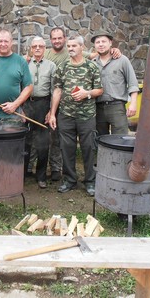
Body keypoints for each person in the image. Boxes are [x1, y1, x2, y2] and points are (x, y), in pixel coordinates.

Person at [48, 35, 103, 197]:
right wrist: (52, 113)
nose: (70, 48)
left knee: (88, 148)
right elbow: (57, 90)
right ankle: (69, 180)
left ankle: (90, 181)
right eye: (69, 46)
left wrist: (87, 94)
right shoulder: (63, 67)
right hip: (66, 115)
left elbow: (99, 90)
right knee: (67, 148)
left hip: (86, 116)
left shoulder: (91, 67)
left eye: (74, 46)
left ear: (82, 47)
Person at [24, 36, 56, 188]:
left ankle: (41, 176)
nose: (37, 48)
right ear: (31, 48)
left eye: (40, 46)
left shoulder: (51, 66)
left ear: (45, 48)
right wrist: (21, 109)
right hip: (27, 105)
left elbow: (55, 90)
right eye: (34, 46)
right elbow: (18, 87)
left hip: (43, 105)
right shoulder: (24, 64)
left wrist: (51, 111)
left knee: (43, 143)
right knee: (25, 142)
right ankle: (23, 174)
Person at [92, 31, 139, 135]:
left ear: (110, 43)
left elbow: (133, 83)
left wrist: (133, 104)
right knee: (100, 139)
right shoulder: (92, 64)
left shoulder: (122, 60)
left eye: (103, 41)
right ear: (94, 46)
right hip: (97, 108)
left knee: (120, 139)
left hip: (116, 106)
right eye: (97, 42)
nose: (100, 44)